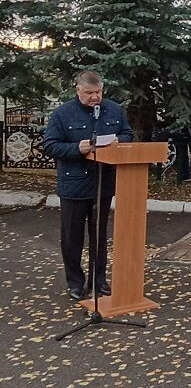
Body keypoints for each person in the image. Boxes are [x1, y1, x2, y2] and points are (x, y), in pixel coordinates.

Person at [43, 71, 133, 301]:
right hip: (74, 185)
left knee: (99, 236)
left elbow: (127, 134)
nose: (95, 97)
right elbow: (50, 145)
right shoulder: (63, 114)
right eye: (89, 93)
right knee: (72, 238)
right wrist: (76, 149)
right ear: (78, 90)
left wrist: (119, 141)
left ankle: (98, 280)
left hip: (102, 183)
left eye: (98, 92)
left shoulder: (114, 110)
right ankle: (75, 282)